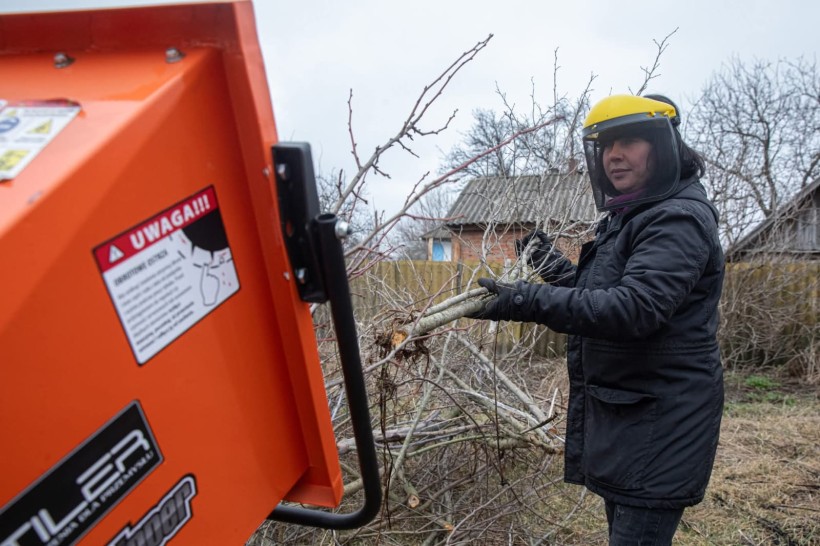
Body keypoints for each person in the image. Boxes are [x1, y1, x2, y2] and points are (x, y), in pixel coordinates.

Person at [468, 94, 725, 545]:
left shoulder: (676, 219)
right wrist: (545, 261)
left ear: (663, 148)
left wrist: (524, 302)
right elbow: (597, 294)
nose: (614, 155)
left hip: (662, 422)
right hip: (633, 415)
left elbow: (634, 309)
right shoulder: (634, 216)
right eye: (606, 145)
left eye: (629, 141)